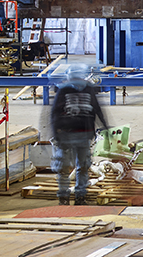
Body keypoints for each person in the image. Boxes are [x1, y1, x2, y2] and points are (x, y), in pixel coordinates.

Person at [46, 63, 109, 204]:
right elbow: (97, 110)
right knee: (81, 167)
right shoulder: (80, 90)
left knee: (67, 168)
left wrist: (56, 133)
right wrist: (104, 126)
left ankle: (66, 197)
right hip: (77, 135)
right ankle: (76, 196)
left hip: (72, 135)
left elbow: (54, 114)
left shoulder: (71, 89)